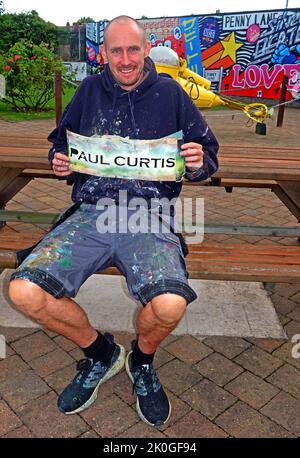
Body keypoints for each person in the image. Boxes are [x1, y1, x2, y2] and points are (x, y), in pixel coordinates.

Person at [8, 16, 219, 427]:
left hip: (149, 213)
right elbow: (62, 144)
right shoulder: (89, 90)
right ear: (104, 53)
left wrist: (196, 162)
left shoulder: (171, 92)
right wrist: (60, 162)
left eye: (133, 49)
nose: (125, 59)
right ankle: (102, 354)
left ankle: (141, 360)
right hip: (92, 212)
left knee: (170, 304)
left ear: (145, 50)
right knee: (24, 292)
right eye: (116, 50)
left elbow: (207, 153)